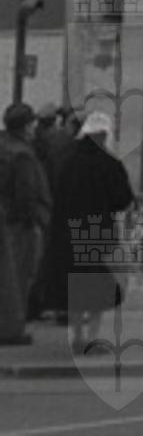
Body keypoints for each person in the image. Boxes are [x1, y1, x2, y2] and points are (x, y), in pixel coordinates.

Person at [49, 112, 135, 355]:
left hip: (67, 231)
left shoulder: (65, 160)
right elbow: (123, 199)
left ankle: (76, 335)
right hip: (99, 232)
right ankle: (92, 338)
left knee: (74, 285)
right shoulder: (109, 163)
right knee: (98, 286)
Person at [0, 101, 51, 343]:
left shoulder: (4, 146)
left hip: (7, 218)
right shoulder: (23, 154)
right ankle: (12, 327)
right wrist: (35, 220)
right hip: (20, 224)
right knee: (19, 276)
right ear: (26, 125)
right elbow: (27, 193)